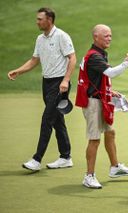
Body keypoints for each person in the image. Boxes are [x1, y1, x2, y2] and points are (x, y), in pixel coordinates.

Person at [7, 7, 76, 171]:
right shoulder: (40, 39)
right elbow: (34, 60)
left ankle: (37, 159)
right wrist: (19, 70)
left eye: (40, 19)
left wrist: (66, 80)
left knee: (47, 120)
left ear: (49, 20)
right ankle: (66, 157)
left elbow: (72, 58)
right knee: (58, 121)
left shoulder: (61, 36)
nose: (37, 22)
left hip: (60, 83)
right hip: (46, 84)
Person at [78, 24, 128, 189]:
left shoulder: (99, 54)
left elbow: (95, 79)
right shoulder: (95, 56)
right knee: (94, 139)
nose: (109, 38)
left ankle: (115, 167)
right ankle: (89, 176)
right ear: (96, 37)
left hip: (98, 99)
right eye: (106, 36)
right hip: (92, 103)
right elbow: (111, 73)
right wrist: (127, 62)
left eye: (110, 35)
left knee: (110, 132)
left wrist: (110, 91)